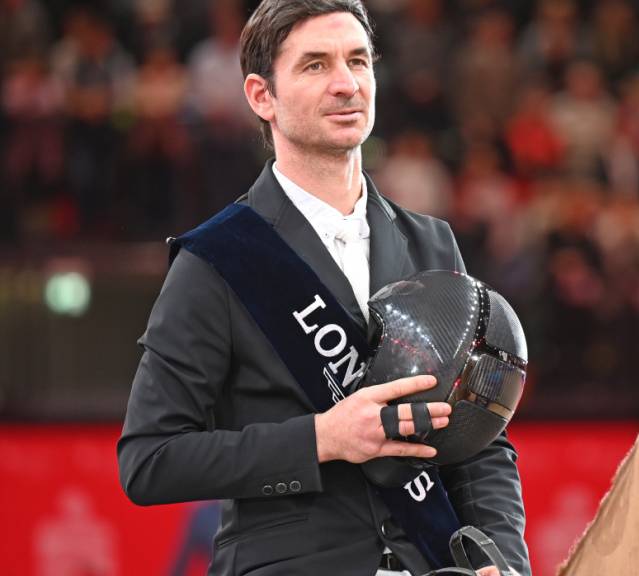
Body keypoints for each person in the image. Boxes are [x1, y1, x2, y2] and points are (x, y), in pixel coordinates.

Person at [116, 1, 529, 575]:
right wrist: (321, 439)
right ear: (262, 96)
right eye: (315, 65)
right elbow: (149, 460)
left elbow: (481, 440)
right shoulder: (217, 258)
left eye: (358, 61)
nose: (346, 84)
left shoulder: (431, 244)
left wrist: (503, 562)